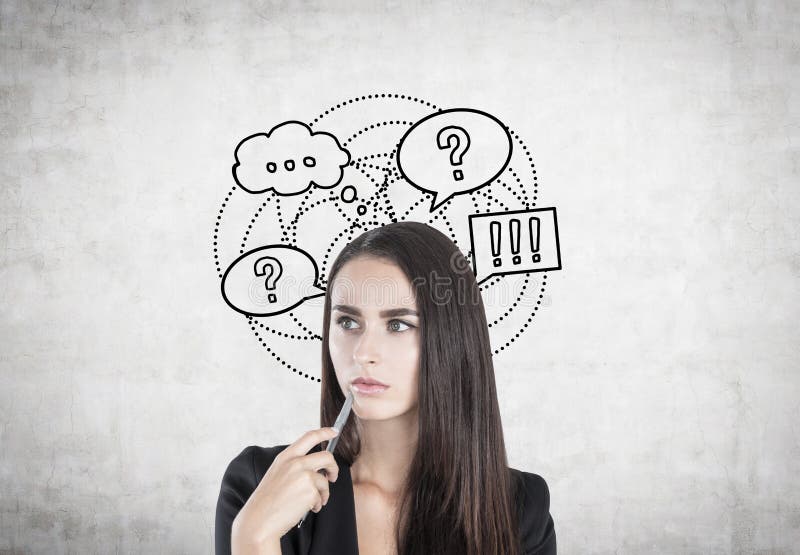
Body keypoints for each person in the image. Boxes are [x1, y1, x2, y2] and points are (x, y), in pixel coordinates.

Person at [215, 221, 556, 555]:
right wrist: (254, 538)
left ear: (452, 339)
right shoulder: (260, 484)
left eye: (398, 325)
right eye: (347, 322)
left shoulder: (520, 509)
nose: (363, 353)